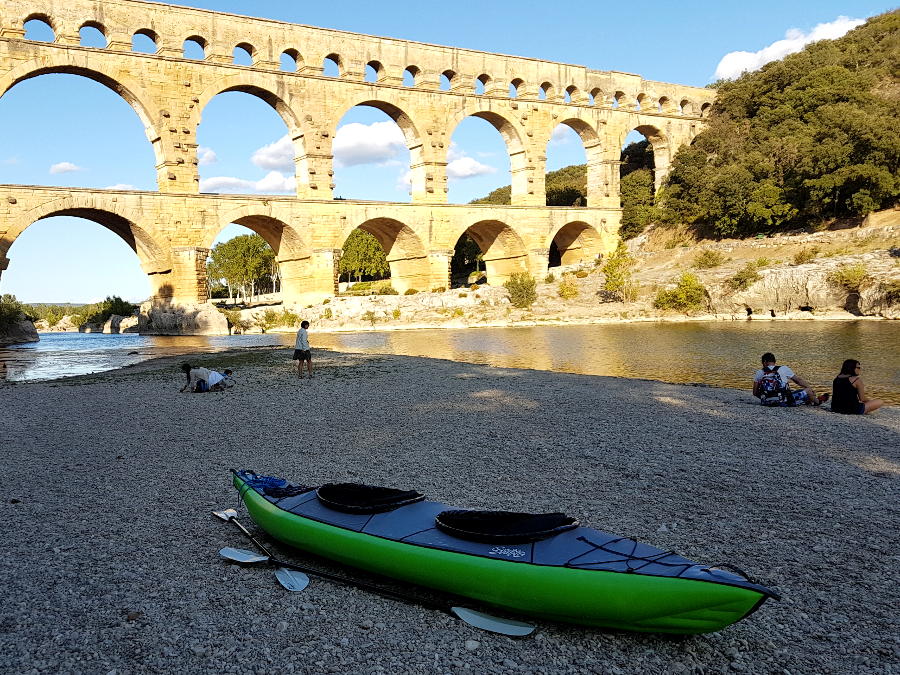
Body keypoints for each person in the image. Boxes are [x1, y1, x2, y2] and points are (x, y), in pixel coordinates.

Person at [752, 352, 825, 407]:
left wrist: (768, 398)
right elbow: (798, 381)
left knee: (794, 392)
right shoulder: (783, 368)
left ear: (764, 362)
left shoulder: (759, 372)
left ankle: (809, 400)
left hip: (766, 402)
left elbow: (755, 393)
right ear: (774, 361)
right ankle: (817, 401)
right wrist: (809, 387)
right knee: (808, 390)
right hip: (784, 401)